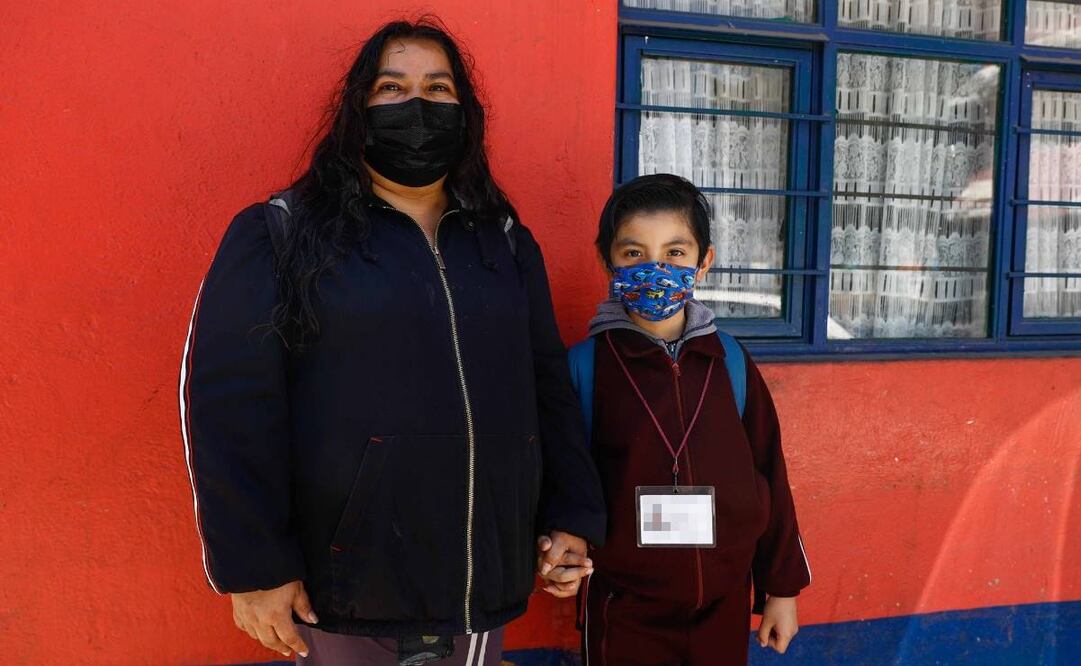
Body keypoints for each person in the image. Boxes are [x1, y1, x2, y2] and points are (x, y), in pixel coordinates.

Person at [179, 18, 604, 666]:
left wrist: (571, 514)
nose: (417, 106)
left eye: (437, 89)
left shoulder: (504, 242)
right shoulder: (280, 233)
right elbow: (229, 406)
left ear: (464, 112)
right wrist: (254, 567)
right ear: (359, 108)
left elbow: (547, 383)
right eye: (392, 87)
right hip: (345, 593)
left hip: (478, 581)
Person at [554, 174, 811, 664]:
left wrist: (782, 590)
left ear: (704, 261)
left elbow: (770, 476)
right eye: (634, 253)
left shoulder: (730, 361)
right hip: (623, 606)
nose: (655, 267)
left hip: (724, 602)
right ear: (607, 260)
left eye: (675, 252)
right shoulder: (586, 366)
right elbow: (563, 477)